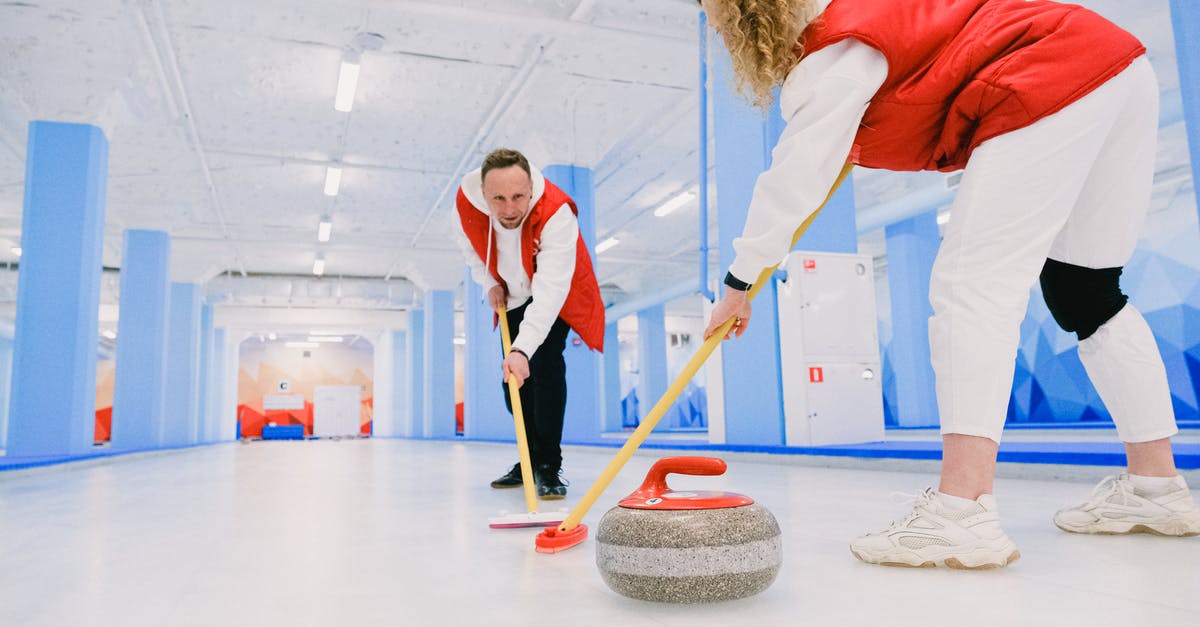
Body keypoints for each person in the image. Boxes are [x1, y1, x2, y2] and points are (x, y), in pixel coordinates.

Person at [700, 0, 1200, 568]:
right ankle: (1157, 489)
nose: (711, 26)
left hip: (1046, 73)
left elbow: (794, 176)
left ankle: (960, 514)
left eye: (708, 13)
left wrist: (739, 284)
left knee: (970, 286)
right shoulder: (863, 28)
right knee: (1087, 290)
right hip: (1118, 66)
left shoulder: (831, 46)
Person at [454, 148, 604, 499]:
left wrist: (522, 347)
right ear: (483, 193)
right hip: (512, 295)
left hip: (552, 294)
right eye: (499, 198)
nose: (509, 209)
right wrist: (488, 282)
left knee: (545, 367)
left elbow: (551, 290)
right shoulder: (466, 202)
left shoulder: (556, 213)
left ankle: (549, 466)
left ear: (531, 186)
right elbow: (468, 246)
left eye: (518, 196)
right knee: (513, 383)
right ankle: (528, 458)